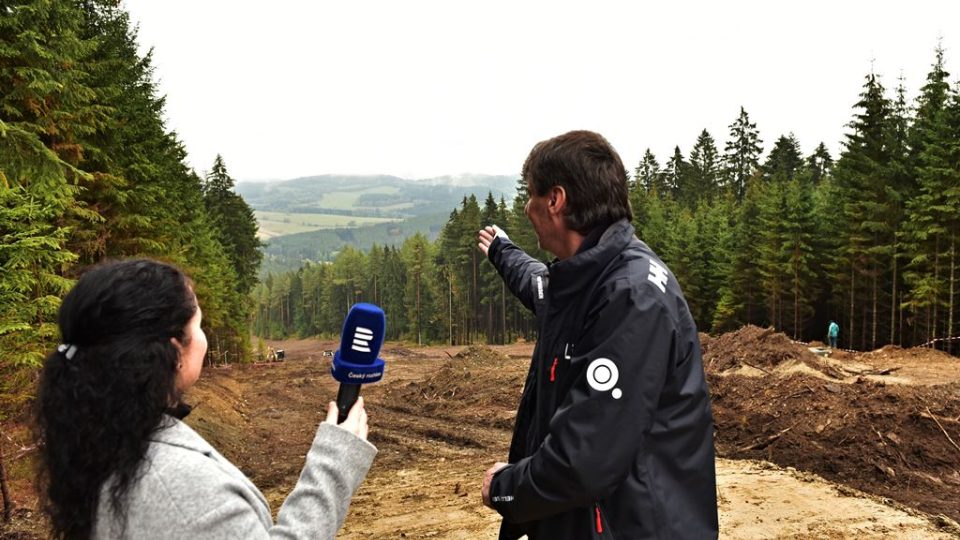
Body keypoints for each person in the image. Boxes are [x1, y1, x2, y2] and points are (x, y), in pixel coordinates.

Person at [477, 131, 718, 539]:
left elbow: (585, 458)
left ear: (555, 200)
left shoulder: (632, 297)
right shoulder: (590, 279)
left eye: (530, 194)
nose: (525, 206)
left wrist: (505, 490)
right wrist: (502, 250)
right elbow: (538, 284)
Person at [34, 258, 376, 539]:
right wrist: (333, 465)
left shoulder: (101, 436)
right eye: (199, 325)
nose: (205, 337)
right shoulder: (184, 496)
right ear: (174, 351)